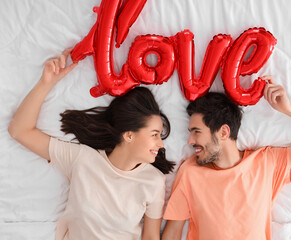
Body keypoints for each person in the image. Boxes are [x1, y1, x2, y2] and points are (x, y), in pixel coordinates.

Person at [8, 50, 175, 240]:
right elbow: (19, 131)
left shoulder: (153, 180)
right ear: (129, 135)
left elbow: (151, 237)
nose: (161, 144)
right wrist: (46, 82)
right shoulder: (82, 159)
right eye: (154, 135)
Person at [161, 75, 291, 240]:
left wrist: (289, 110)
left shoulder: (266, 162)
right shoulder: (190, 171)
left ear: (224, 132)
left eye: (196, 132)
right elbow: (172, 232)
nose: (190, 141)